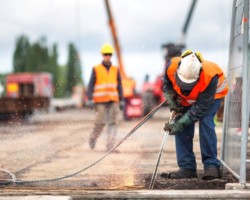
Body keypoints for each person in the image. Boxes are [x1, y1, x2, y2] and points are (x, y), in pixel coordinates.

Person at [161, 49, 228, 180]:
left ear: (198, 75)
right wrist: (173, 102)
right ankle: (187, 168)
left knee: (206, 122)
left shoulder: (210, 75)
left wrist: (180, 124)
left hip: (212, 96)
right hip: (188, 97)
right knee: (181, 122)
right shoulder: (171, 67)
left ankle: (211, 166)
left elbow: (200, 109)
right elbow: (167, 86)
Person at [86, 43, 124, 152]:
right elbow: (91, 85)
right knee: (100, 122)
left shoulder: (115, 69)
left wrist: (122, 100)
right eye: (105, 54)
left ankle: (110, 146)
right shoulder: (96, 69)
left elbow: (119, 85)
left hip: (113, 100)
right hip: (100, 101)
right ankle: (93, 138)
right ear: (102, 55)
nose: (107, 56)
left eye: (109, 54)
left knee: (113, 122)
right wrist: (89, 98)